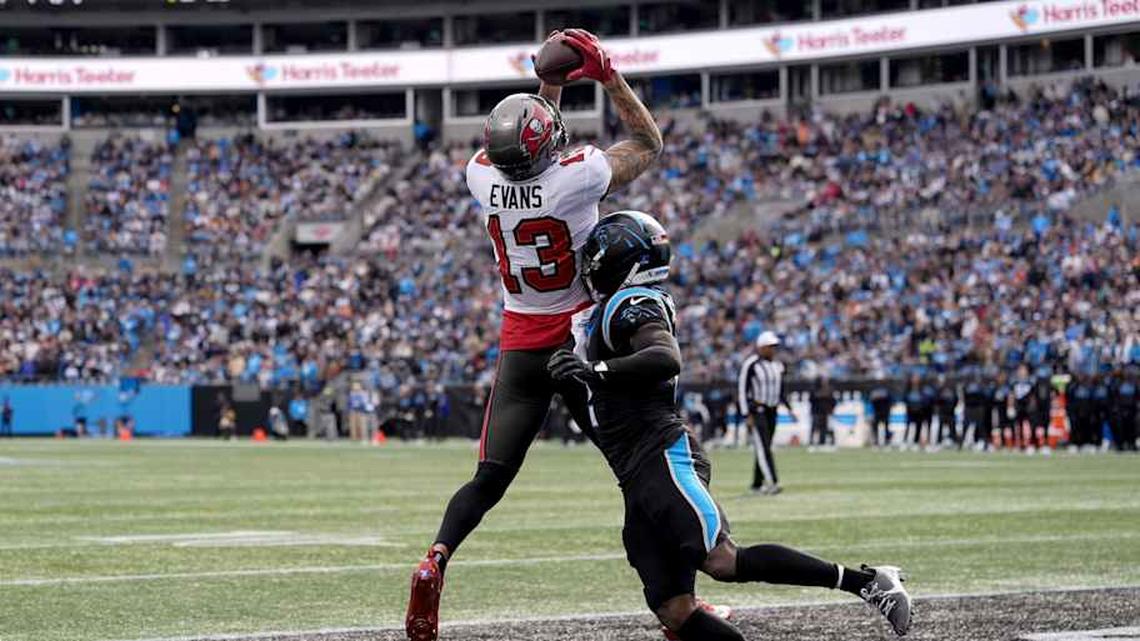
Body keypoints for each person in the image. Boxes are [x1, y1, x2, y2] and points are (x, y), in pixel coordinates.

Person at [406, 28, 694, 641]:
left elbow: (530, 156)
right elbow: (649, 141)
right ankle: (677, 607)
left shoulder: (480, 176)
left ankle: (435, 558)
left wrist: (551, 85)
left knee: (490, 474)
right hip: (582, 340)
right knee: (635, 465)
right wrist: (608, 74)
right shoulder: (577, 177)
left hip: (519, 343)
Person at [546, 212, 912, 641]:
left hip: (661, 453)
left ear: (622, 257)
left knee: (722, 560)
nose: (589, 265)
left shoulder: (634, 302)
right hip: (635, 470)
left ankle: (868, 583)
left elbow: (665, 356)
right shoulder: (609, 310)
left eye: (596, 256)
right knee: (676, 612)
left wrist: (593, 370)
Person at [737, 331, 796, 494]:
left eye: (774, 347)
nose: (773, 350)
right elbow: (742, 390)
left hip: (772, 410)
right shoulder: (752, 364)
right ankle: (772, 482)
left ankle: (756, 485)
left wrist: (789, 409)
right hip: (757, 410)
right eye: (770, 347)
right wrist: (746, 413)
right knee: (764, 447)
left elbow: (780, 390)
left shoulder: (778, 365)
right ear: (761, 347)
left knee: (764, 446)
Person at [1109, 368, 1137, 452]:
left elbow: (1136, 398)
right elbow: (1114, 398)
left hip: (1132, 409)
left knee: (1132, 425)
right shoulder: (1117, 385)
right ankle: (1120, 444)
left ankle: (1131, 443)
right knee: (1120, 425)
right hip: (1120, 409)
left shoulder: (1134, 385)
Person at [808, 377, 837, 450]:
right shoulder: (814, 389)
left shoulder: (829, 390)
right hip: (816, 412)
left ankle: (822, 443)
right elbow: (811, 399)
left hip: (826, 412)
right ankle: (811, 443)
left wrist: (831, 409)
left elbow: (833, 401)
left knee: (825, 428)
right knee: (814, 427)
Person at [934, 376, 959, 449]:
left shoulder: (952, 390)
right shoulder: (939, 390)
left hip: (951, 412)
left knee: (952, 428)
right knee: (940, 428)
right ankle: (938, 442)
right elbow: (937, 400)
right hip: (942, 412)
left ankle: (954, 442)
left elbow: (956, 400)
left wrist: (952, 407)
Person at [867, 379, 893, 447]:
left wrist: (888, 410)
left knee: (886, 427)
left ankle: (887, 442)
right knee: (875, 427)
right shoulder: (874, 391)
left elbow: (890, 401)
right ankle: (876, 442)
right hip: (877, 412)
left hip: (885, 412)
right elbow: (871, 402)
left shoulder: (886, 390)